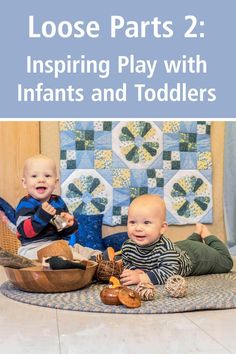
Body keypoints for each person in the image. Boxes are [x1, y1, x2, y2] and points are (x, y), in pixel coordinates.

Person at [120, 194, 233, 286]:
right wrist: (134, 270)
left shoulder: (166, 249)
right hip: (180, 247)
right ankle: (195, 235)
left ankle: (207, 235)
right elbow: (128, 263)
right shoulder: (128, 247)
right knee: (187, 244)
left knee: (226, 262)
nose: (138, 228)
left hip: (195, 256)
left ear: (162, 228)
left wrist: (141, 277)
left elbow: (169, 273)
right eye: (132, 222)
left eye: (146, 223)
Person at [16, 154, 100, 260]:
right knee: (64, 254)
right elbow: (25, 232)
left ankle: (101, 258)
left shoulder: (58, 202)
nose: (41, 180)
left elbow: (63, 229)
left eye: (47, 176)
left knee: (80, 249)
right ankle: (82, 262)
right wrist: (42, 215)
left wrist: (69, 224)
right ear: (25, 183)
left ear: (55, 182)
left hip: (59, 244)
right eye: (34, 176)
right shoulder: (25, 204)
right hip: (33, 248)